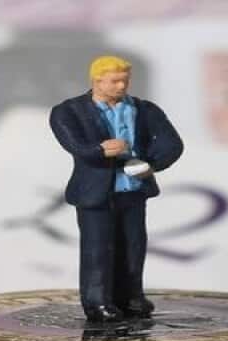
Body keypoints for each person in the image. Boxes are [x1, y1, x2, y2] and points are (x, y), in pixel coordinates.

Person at [48, 55, 184, 323]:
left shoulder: (145, 110)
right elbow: (73, 144)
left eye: (125, 80)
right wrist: (99, 150)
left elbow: (172, 143)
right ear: (97, 80)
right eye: (114, 81)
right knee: (98, 250)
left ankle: (132, 297)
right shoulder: (69, 111)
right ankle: (97, 302)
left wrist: (150, 165)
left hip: (133, 190)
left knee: (134, 246)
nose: (121, 86)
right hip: (96, 194)